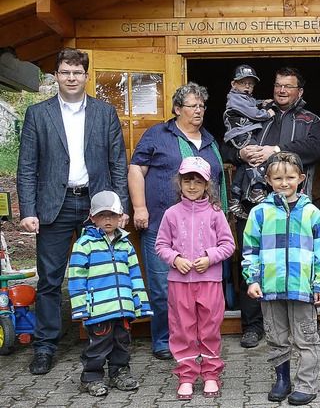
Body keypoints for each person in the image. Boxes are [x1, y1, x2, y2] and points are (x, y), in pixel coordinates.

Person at [17, 47, 129, 375]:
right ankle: (45, 345)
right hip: (56, 204)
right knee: (51, 279)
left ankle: (102, 341)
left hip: (98, 204)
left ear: (86, 76)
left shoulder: (104, 112)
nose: (71, 78)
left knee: (101, 274)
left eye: (77, 72)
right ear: (56, 76)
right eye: (65, 72)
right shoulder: (38, 114)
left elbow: (117, 162)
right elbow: (27, 166)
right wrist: (28, 210)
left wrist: (118, 205)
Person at [221, 66, 320, 348]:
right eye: (278, 85)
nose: (281, 90)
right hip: (254, 206)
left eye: (288, 86)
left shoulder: (311, 120)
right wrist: (239, 153)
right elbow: (226, 148)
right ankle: (253, 326)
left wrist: (275, 150)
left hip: (296, 208)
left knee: (301, 263)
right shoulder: (253, 112)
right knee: (252, 261)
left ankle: (307, 323)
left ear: (299, 91)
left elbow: (316, 148)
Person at [128, 82, 227, 360]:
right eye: (193, 106)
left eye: (202, 106)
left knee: (199, 288)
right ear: (177, 109)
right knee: (164, 287)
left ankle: (196, 338)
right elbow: (136, 169)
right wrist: (139, 207)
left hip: (203, 228)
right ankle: (163, 338)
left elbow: (215, 179)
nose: (199, 111)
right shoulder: (157, 135)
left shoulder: (208, 138)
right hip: (163, 223)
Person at [242, 152, 320, 406]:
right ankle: (282, 380)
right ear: (268, 180)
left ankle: (306, 384)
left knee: (306, 337)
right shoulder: (260, 213)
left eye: (290, 177)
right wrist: (253, 279)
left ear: (300, 179)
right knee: (276, 336)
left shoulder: (312, 213)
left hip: (302, 287)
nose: (284, 183)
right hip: (270, 288)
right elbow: (250, 250)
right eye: (278, 178)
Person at [155, 157, 235, 400]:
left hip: (209, 281)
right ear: (179, 183)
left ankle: (211, 374)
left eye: (197, 181)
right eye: (187, 180)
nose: (192, 186)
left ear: (206, 185)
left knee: (210, 328)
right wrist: (176, 259)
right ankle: (187, 375)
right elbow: (161, 245)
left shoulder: (215, 213)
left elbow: (228, 244)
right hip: (179, 283)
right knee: (182, 329)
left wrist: (210, 258)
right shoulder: (171, 213)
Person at [68, 191, 153, 397]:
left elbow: (135, 275)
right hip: (98, 309)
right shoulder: (84, 244)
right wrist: (80, 308)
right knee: (98, 345)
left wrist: (141, 302)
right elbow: (76, 277)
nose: (107, 220)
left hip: (123, 307)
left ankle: (119, 373)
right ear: (93, 217)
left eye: (112, 215)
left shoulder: (126, 244)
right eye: (102, 215)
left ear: (120, 216)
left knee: (121, 343)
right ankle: (91, 377)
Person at [223, 64, 276, 218]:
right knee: (256, 156)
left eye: (250, 84)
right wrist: (267, 113)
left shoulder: (243, 97)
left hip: (242, 133)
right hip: (240, 134)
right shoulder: (234, 98)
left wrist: (261, 102)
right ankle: (257, 189)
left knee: (244, 165)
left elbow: (251, 104)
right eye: (243, 83)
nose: (247, 86)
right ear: (234, 84)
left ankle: (234, 198)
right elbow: (251, 112)